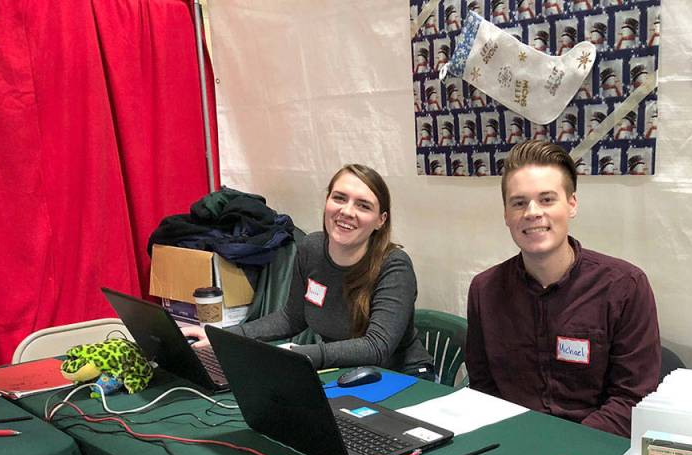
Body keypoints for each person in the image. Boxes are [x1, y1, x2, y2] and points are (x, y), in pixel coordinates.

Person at [465, 139, 661, 437]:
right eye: (519, 202)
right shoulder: (484, 290)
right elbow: (483, 386)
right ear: (506, 214)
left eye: (546, 199)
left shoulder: (625, 287)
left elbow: (632, 398)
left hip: (594, 446)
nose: (532, 212)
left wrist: (564, 448)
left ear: (571, 204)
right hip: (510, 443)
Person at [187, 165, 433, 377]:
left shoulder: (394, 265)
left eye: (363, 206)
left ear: (381, 220)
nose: (347, 211)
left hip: (402, 377)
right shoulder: (311, 248)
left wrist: (299, 356)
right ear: (327, 201)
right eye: (339, 198)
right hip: (345, 373)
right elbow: (291, 318)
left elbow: (376, 347)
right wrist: (223, 337)